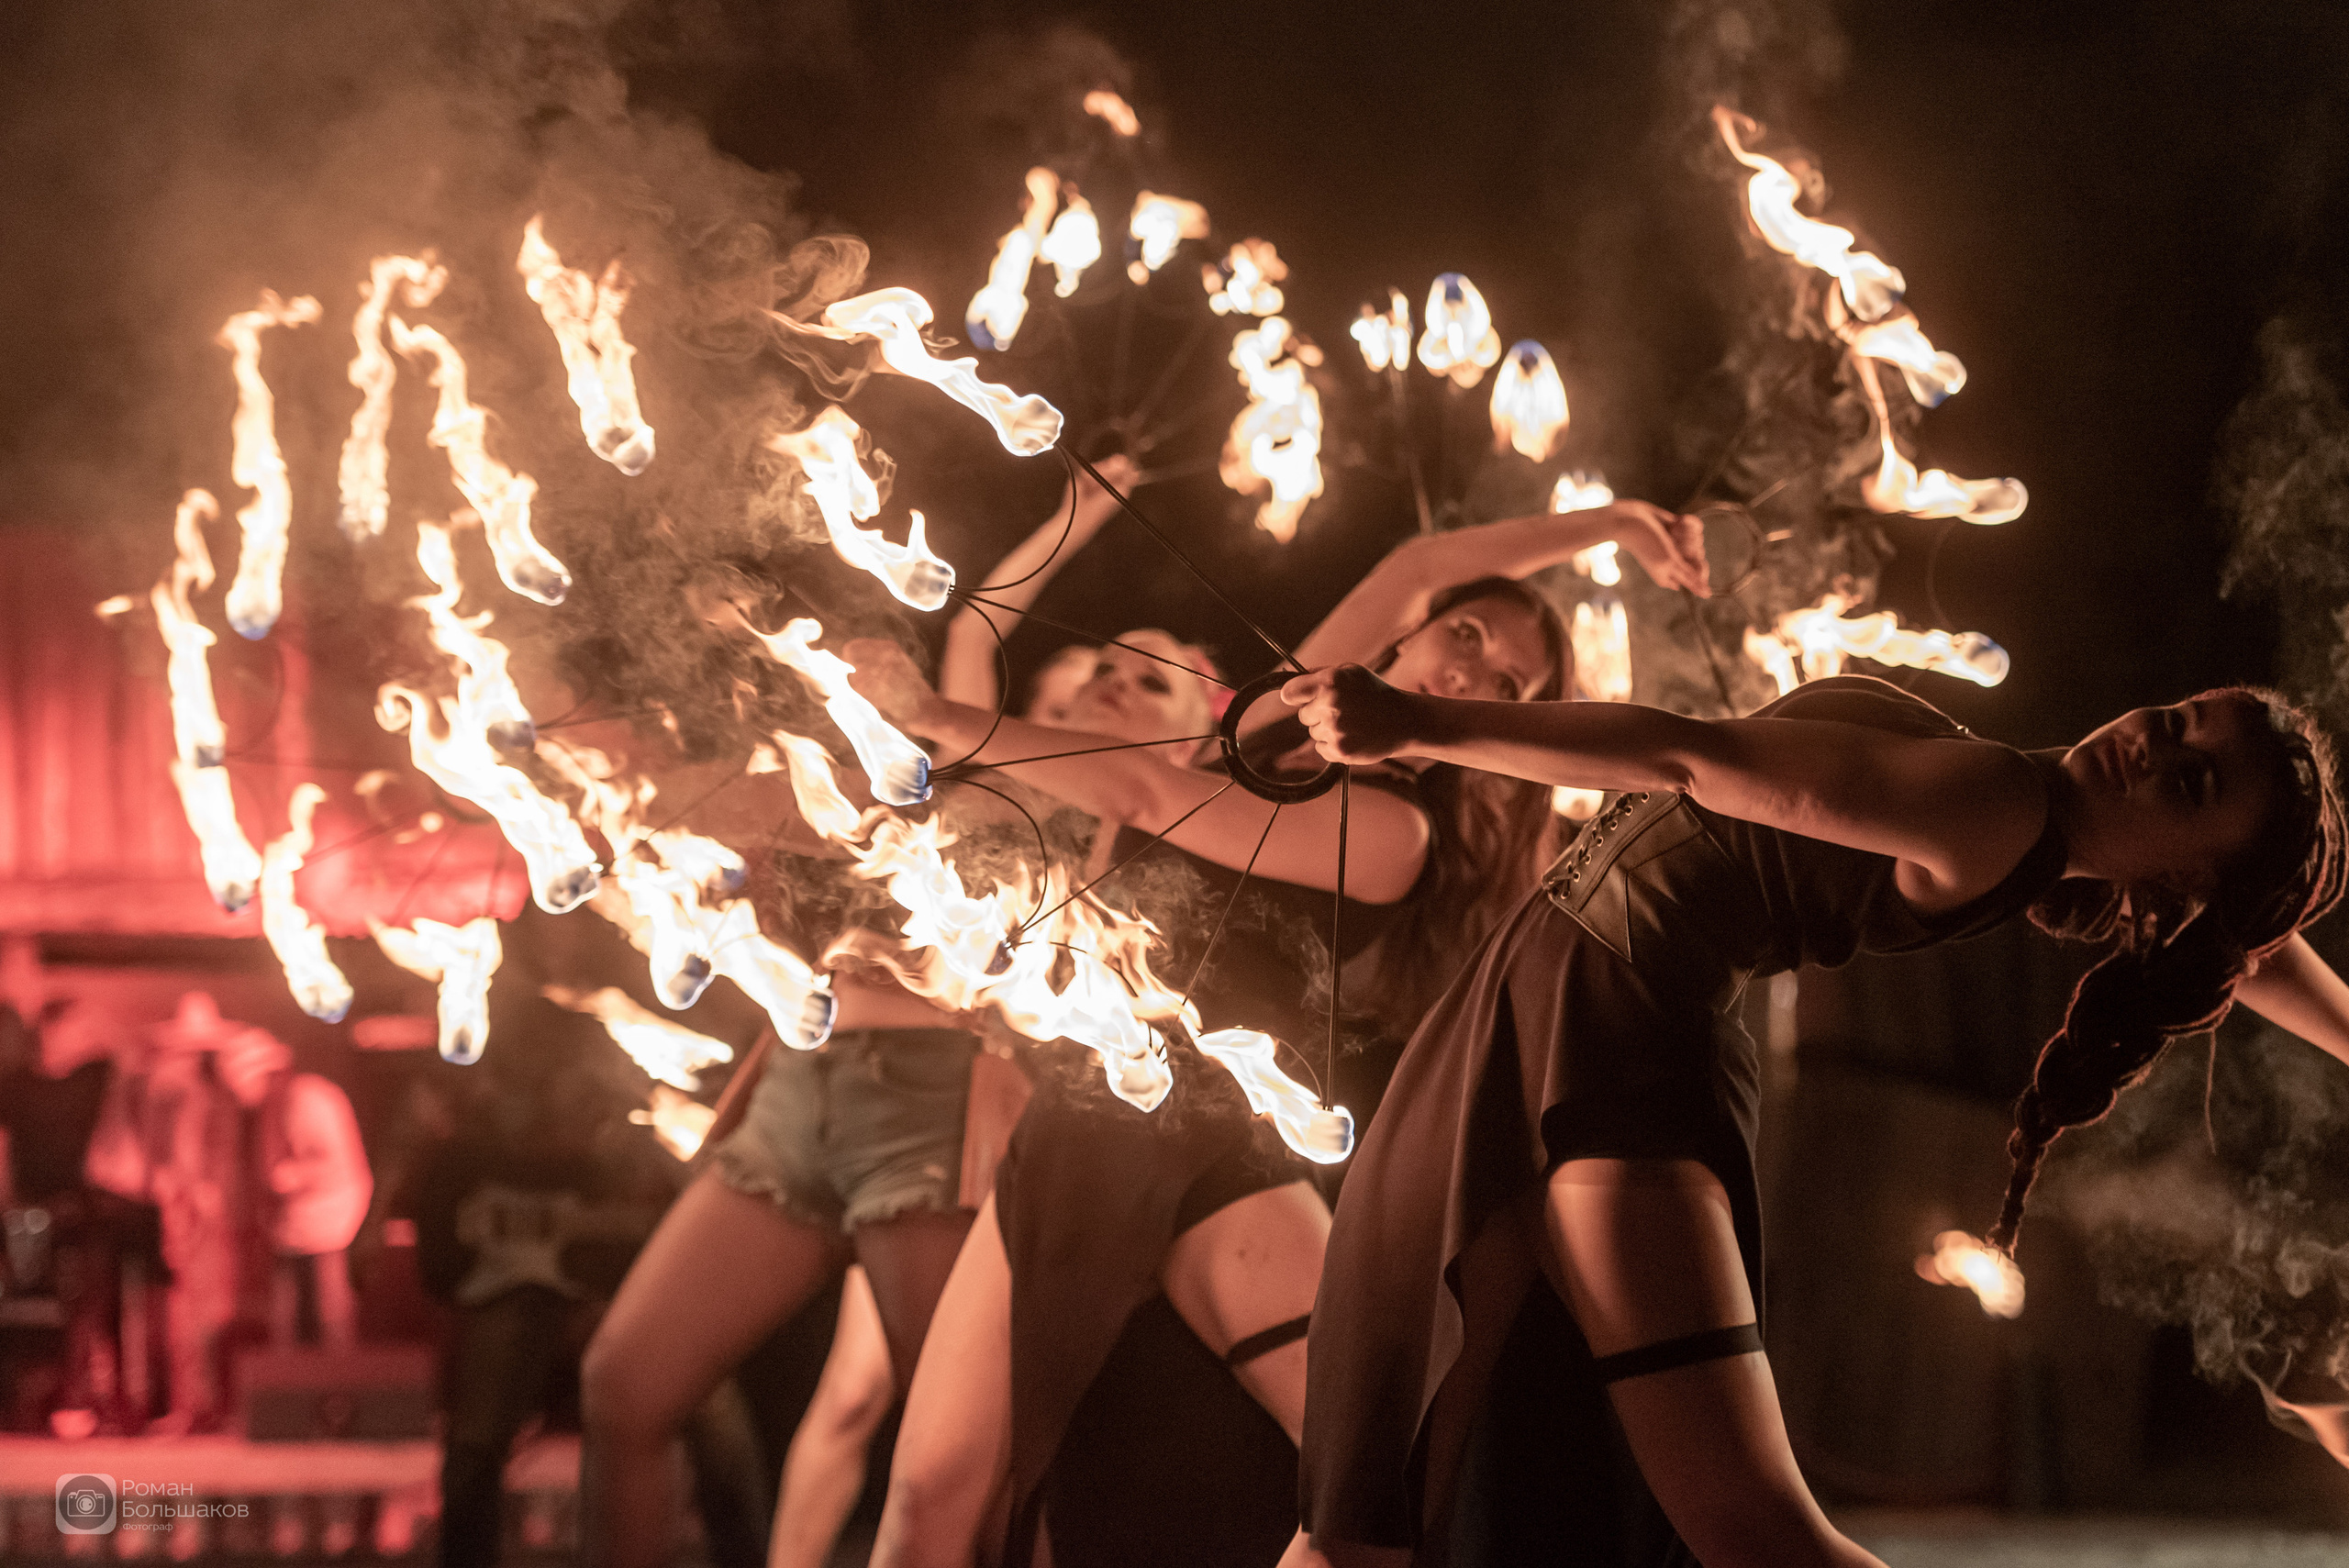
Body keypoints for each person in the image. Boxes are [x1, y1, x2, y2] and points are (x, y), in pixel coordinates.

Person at [1275, 662, 2349, 1568]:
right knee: (1372, 1500)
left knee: (1751, 1532)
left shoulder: (1994, 802)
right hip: (1554, 1006)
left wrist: (1421, 721)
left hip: (1610, 1045)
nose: (2151, 745)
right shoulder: (2037, 826)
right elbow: (2247, 945)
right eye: (2178, 719)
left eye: (2188, 780)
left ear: (2179, 880)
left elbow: (1689, 754)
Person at [845, 478, 1709, 1566]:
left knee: (1375, 1484)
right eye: (1466, 633)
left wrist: (932, 718)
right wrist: (1616, 523)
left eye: (1504, 684)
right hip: (1079, 1122)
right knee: (929, 1499)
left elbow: (1147, 795)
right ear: (1410, 635)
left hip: (1205, 1145)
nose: (1470, 670)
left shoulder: (1396, 831)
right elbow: (1415, 563)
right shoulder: (1264, 728)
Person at [212, 1022, 373, 1351]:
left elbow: (338, 1163)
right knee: (286, 1318)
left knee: (329, 1315)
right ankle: (288, 1374)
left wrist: (291, 1177)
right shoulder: (274, 1106)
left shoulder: (308, 1099)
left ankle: (335, 1375)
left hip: (328, 1226)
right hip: (291, 1230)